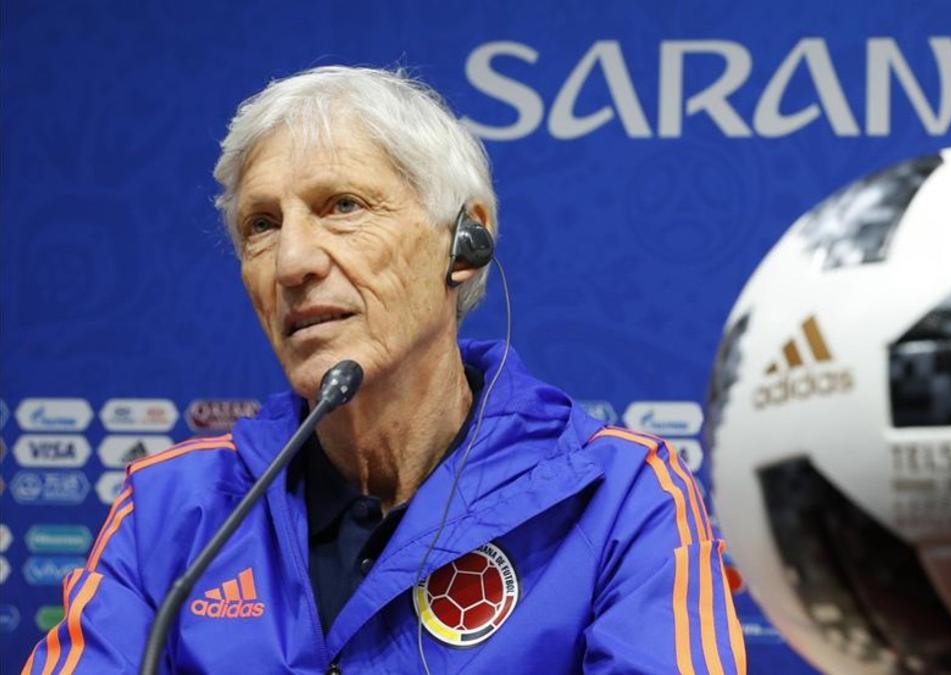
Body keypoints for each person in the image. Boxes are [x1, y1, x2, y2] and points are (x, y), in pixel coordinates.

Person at [22, 65, 745, 674]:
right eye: (261, 225)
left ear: (465, 243)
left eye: (343, 207)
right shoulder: (172, 507)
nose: (293, 262)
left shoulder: (621, 497)